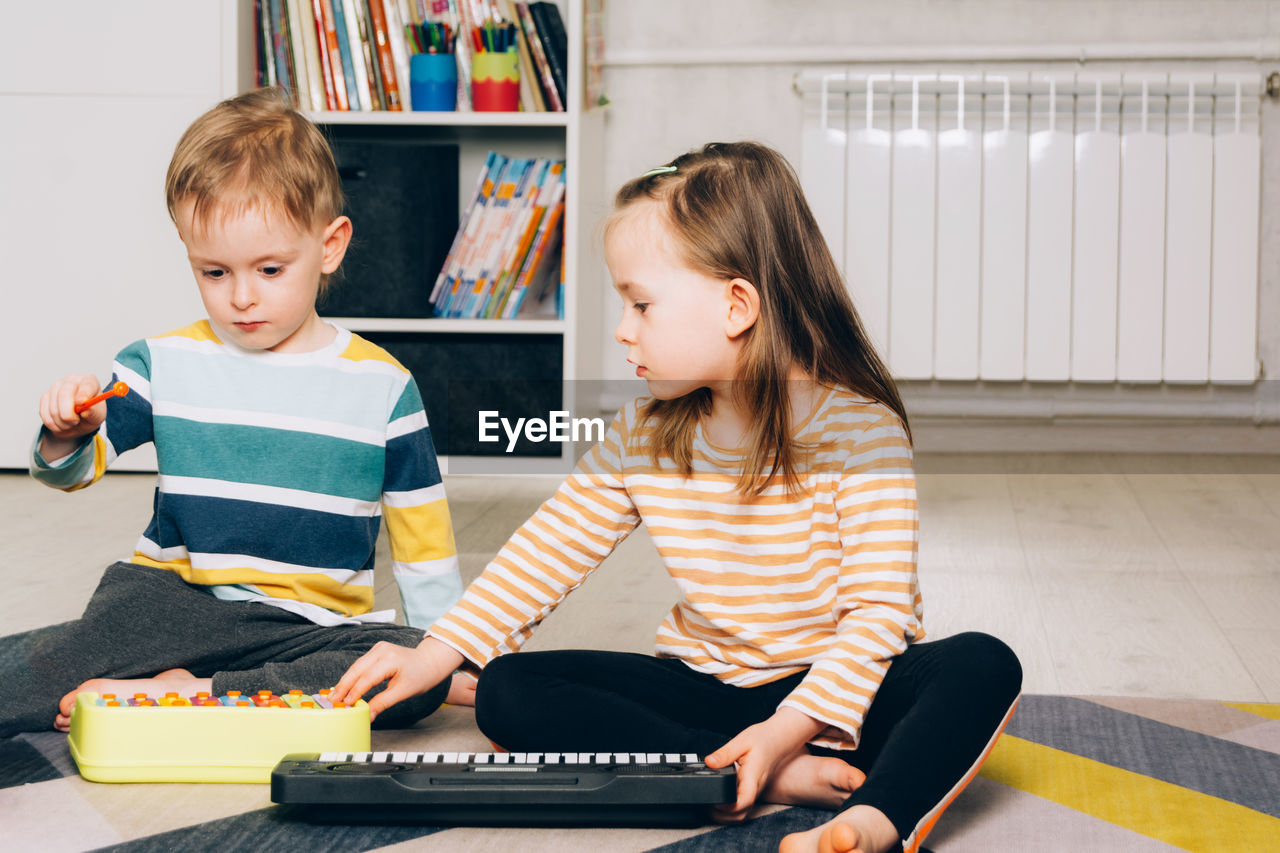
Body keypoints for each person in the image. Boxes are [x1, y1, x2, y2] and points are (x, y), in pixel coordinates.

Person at [331, 142, 1022, 853]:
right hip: (710, 689)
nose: (624, 330)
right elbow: (547, 551)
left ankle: (877, 815)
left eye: (641, 303)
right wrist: (436, 652)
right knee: (508, 687)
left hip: (841, 693)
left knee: (982, 663)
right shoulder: (644, 434)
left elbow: (876, 616)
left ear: (737, 305)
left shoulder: (862, 432)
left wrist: (788, 727)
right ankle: (746, 772)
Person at [0, 88, 466, 738]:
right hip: (169, 608)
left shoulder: (383, 387)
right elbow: (74, 469)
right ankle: (179, 688)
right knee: (35, 665)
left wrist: (447, 652)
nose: (241, 297)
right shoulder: (161, 362)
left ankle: (188, 694)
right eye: (213, 272)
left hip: (306, 631)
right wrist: (64, 434)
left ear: (329, 245)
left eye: (270, 268)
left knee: (411, 675)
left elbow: (425, 546)